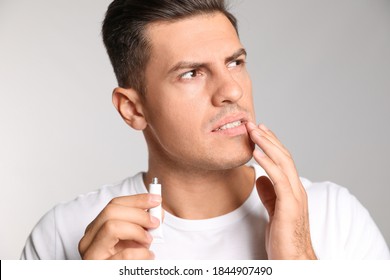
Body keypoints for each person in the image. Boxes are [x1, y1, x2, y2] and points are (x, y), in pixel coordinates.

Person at [21, 0, 389, 260]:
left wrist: (300, 263)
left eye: (235, 62)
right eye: (192, 73)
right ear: (133, 109)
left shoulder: (336, 216)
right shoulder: (63, 232)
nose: (232, 90)